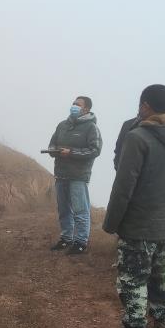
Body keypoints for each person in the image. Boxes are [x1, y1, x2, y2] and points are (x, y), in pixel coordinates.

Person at [98, 84, 165, 328]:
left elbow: (124, 186)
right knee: (161, 278)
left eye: (141, 104)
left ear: (146, 105)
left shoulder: (138, 137)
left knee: (132, 281)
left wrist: (111, 223)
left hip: (139, 223)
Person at [47, 96, 102, 255]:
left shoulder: (91, 127)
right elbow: (52, 144)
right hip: (61, 174)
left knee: (80, 210)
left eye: (77, 104)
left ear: (86, 109)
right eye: (73, 103)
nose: (74, 106)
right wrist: (54, 151)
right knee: (64, 209)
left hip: (78, 176)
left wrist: (71, 153)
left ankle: (81, 242)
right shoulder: (62, 125)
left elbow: (95, 150)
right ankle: (66, 238)